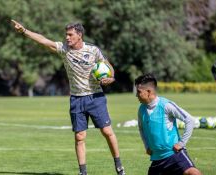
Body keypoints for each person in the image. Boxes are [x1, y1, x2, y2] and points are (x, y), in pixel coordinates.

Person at [11, 20, 125, 175]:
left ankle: (119, 166)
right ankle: (82, 172)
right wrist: (24, 31)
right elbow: (44, 41)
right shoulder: (64, 49)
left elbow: (108, 65)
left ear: (79, 35)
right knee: (79, 136)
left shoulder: (93, 50)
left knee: (107, 132)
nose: (67, 37)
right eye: (66, 34)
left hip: (95, 97)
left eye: (70, 34)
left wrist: (111, 77)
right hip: (77, 98)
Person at [135, 73, 202, 175]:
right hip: (157, 160)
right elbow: (141, 129)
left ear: (148, 92)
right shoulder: (141, 110)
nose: (136, 95)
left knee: (193, 173)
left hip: (174, 155)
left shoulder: (166, 105)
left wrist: (181, 143)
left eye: (139, 92)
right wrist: (147, 145)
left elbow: (190, 120)